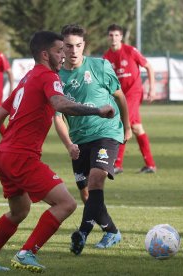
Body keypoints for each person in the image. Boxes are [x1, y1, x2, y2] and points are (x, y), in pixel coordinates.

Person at [0, 31, 115, 273]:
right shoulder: (47, 76)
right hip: (20, 156)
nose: (64, 54)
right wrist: (97, 110)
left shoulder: (28, 78)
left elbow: (0, 113)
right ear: (45, 55)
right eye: (59, 51)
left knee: (19, 210)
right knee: (66, 203)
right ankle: (26, 253)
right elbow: (60, 104)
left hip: (3, 156)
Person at [53, 24, 131, 256]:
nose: (74, 51)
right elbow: (57, 118)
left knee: (97, 179)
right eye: (68, 46)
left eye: (78, 45)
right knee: (86, 192)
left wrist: (126, 126)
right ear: (62, 48)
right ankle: (112, 231)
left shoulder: (100, 66)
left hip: (106, 132)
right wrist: (69, 144)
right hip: (79, 139)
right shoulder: (56, 78)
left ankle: (83, 233)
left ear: (83, 45)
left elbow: (119, 96)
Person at [103, 23, 156, 174]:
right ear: (108, 37)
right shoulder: (106, 57)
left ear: (121, 37)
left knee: (122, 124)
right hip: (119, 96)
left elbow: (149, 67)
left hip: (134, 92)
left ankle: (117, 164)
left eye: (117, 35)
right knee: (137, 128)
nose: (114, 38)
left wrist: (152, 88)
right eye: (111, 35)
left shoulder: (130, 51)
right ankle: (150, 165)